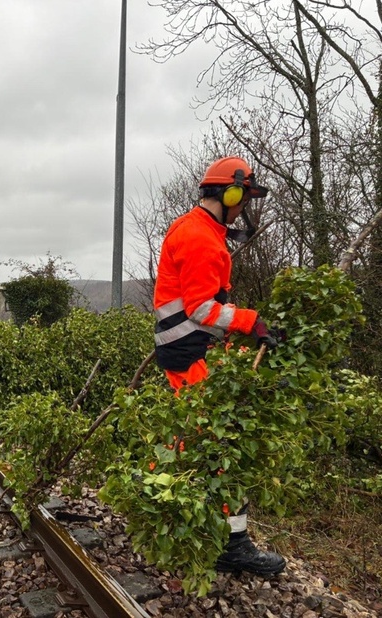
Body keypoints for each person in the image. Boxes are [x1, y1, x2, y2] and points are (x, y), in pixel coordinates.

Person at [152, 156, 285, 576]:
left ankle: (170, 516)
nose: (244, 207)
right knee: (220, 444)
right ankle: (234, 544)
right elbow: (202, 307)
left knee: (189, 439)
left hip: (187, 349)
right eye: (243, 199)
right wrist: (252, 321)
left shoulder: (197, 227)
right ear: (228, 194)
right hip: (189, 351)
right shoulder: (201, 239)